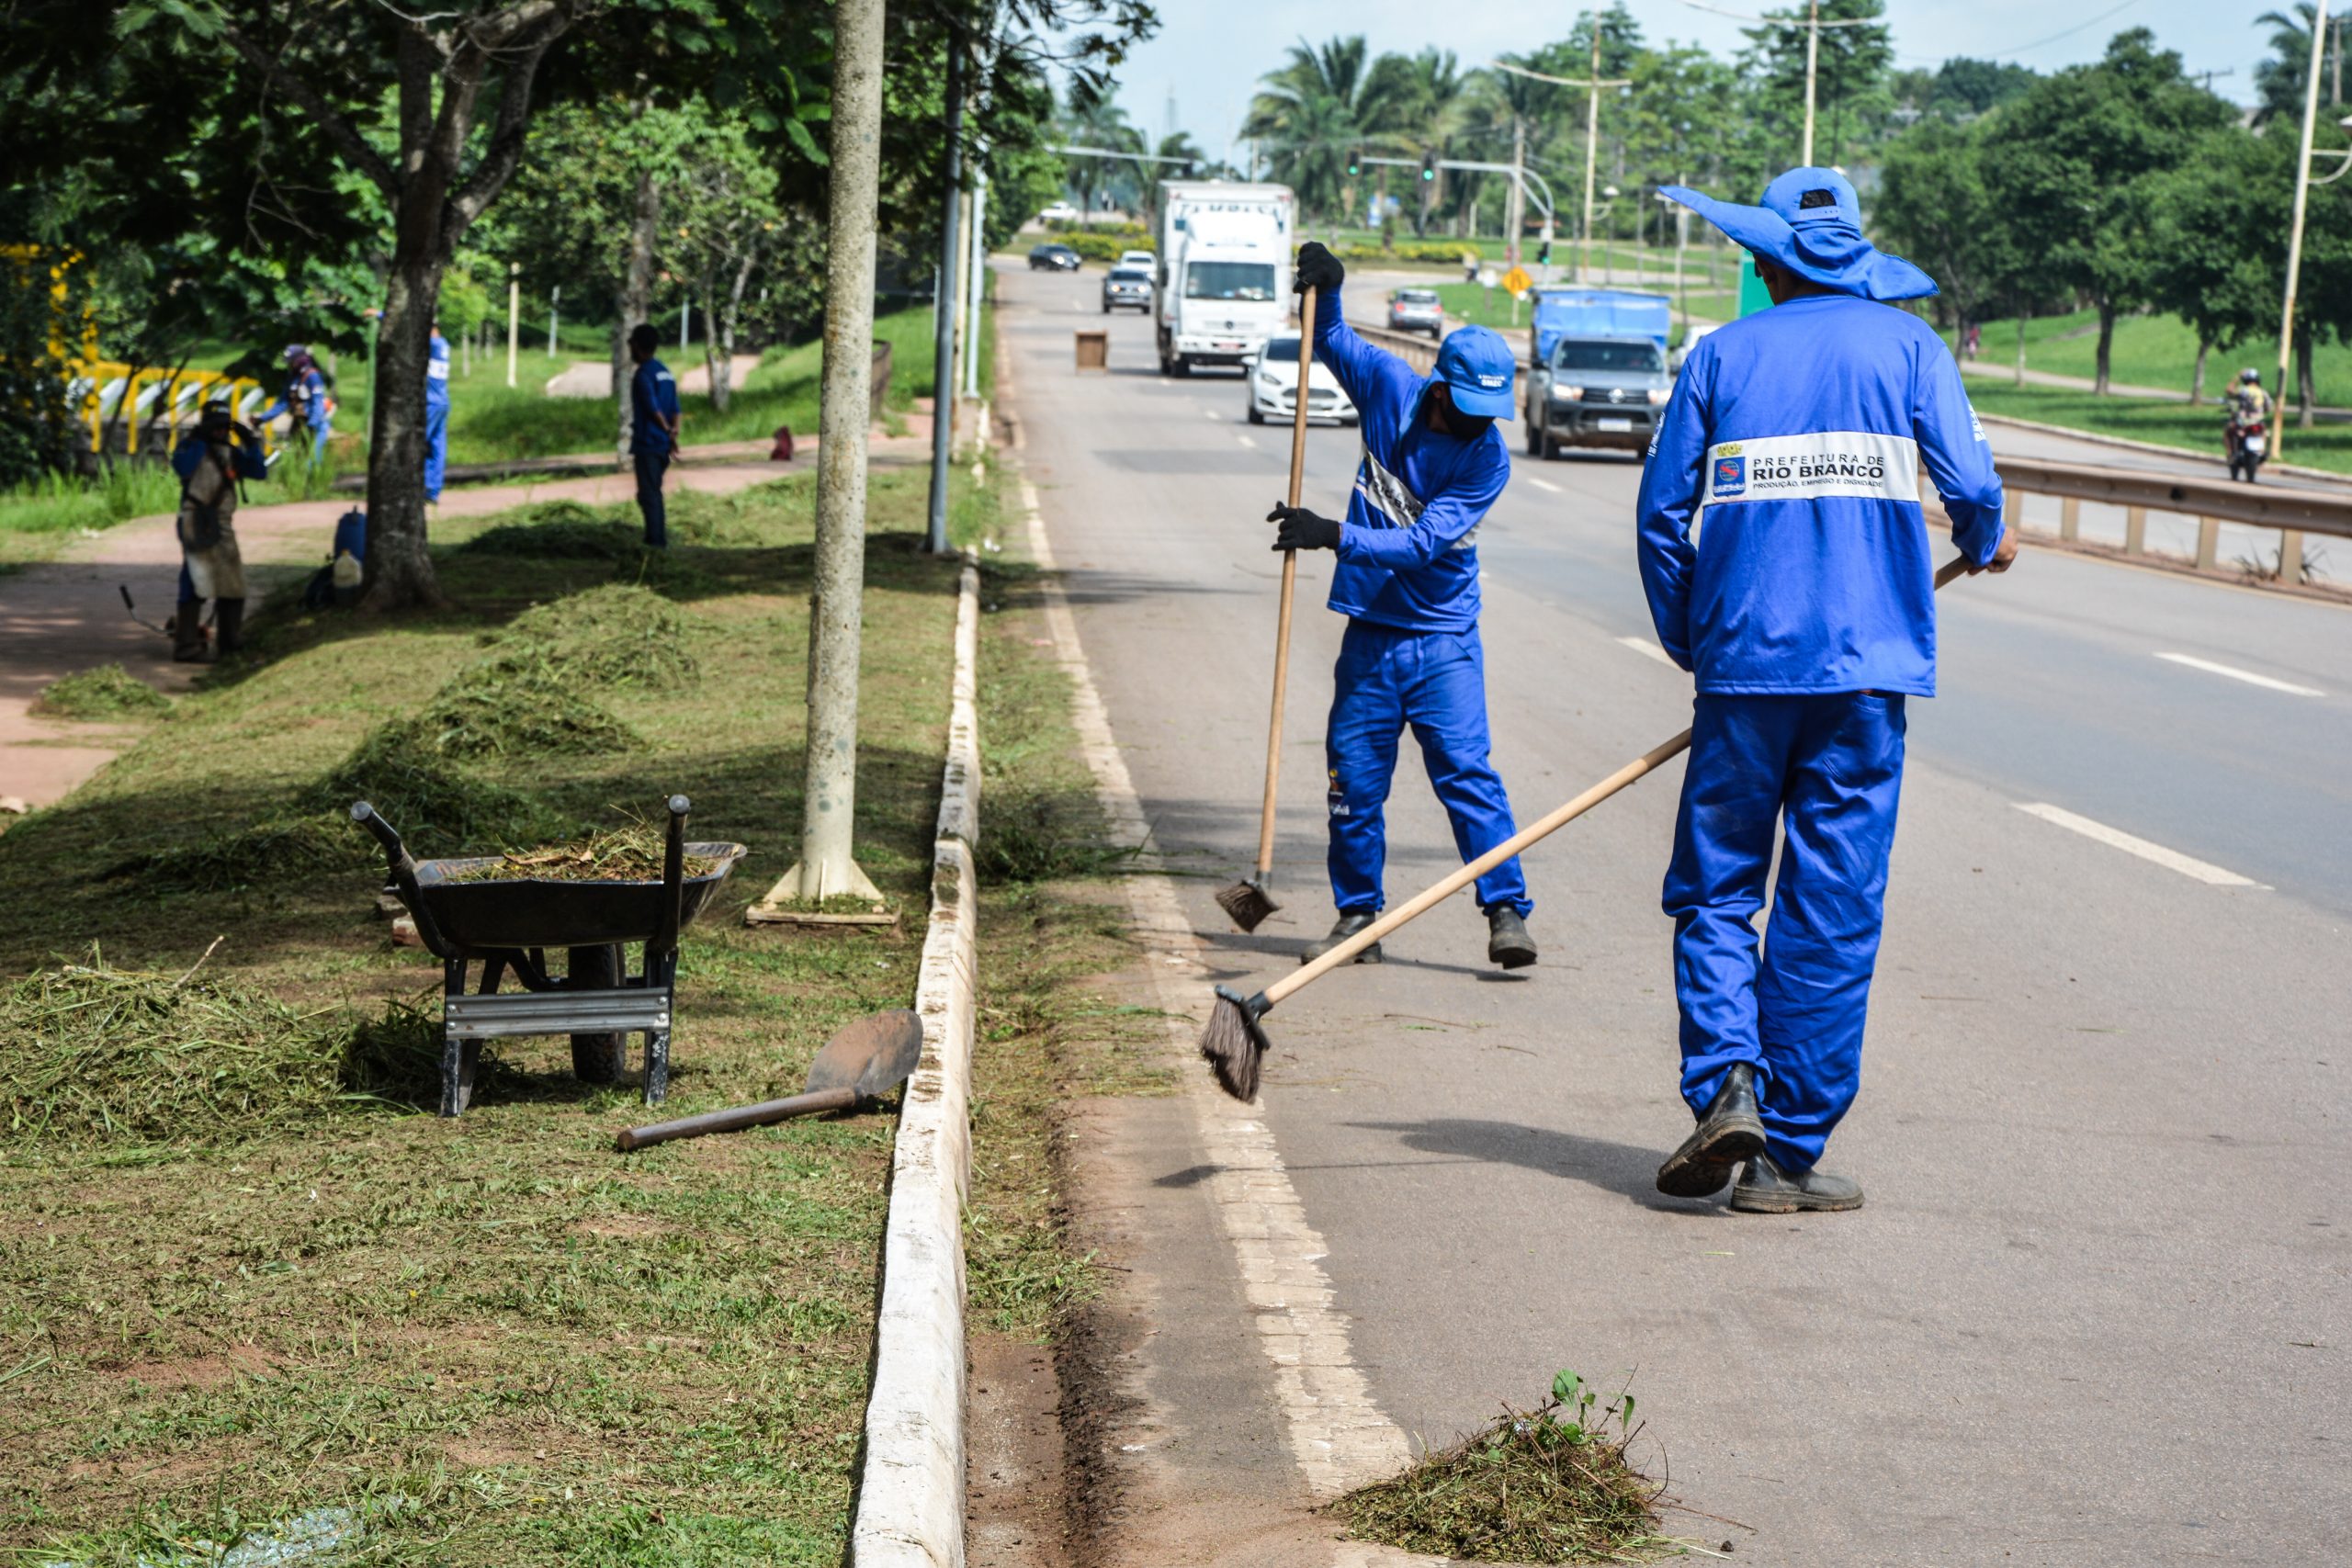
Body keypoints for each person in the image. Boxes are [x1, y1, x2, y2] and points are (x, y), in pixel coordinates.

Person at [1638, 168, 2015, 1214]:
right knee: (1830, 906)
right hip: (1865, 680)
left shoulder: (1717, 356)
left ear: (1761, 265)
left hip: (1746, 671)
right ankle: (1784, 1155)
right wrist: (1984, 539)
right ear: (1856, 262)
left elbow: (1662, 520)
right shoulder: (1908, 349)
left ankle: (1727, 1087)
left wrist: (1690, 641)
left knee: (1717, 888)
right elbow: (1973, 488)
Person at [1264, 240, 1539, 972]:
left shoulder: (1487, 460)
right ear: (1440, 389)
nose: (1483, 422)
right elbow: (1331, 342)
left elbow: (1421, 545)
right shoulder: (1389, 386)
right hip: (1372, 634)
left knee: (1466, 773)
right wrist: (1330, 287)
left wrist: (1331, 533)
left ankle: (1505, 908)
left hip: (1442, 637)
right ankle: (1359, 916)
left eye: (1493, 412)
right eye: (1470, 408)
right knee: (1352, 780)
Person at [170, 401, 267, 661]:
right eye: (216, 426)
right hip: (194, 520)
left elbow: (259, 471)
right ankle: (186, 646)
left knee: (233, 582)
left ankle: (230, 643)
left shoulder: (232, 452)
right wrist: (201, 438)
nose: (220, 431)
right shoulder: (190, 447)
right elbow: (183, 467)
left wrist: (251, 442)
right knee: (194, 580)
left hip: (222, 522)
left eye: (224, 426)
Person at [628, 322, 682, 547]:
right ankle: (655, 538)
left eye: (631, 345)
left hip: (649, 443)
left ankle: (656, 543)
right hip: (663, 444)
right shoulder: (665, 372)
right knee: (652, 492)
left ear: (638, 346)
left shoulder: (643, 374)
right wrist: (673, 433)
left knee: (649, 495)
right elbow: (676, 409)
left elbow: (652, 408)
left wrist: (667, 430)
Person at [255, 344, 333, 466]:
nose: (289, 365)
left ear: (299, 360)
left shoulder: (312, 376)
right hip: (300, 422)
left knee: (310, 460)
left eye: (291, 362)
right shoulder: (293, 377)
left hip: (315, 424)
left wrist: (311, 425)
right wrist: (261, 419)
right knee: (294, 459)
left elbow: (317, 404)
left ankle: (311, 483)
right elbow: (282, 403)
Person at [424, 321, 451, 503]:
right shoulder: (444, 344)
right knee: (437, 447)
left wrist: (380, 315)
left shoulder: (432, 344)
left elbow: (406, 326)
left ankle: (418, 486)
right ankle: (433, 491)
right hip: (443, 401)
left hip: (431, 402)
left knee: (417, 444)